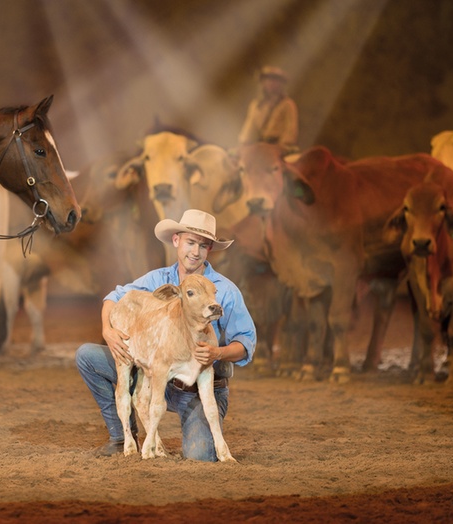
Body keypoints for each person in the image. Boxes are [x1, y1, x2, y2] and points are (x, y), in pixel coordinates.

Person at [75, 209, 257, 462]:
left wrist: (218, 353)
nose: (195, 252)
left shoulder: (224, 290)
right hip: (160, 374)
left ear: (210, 250)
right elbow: (115, 296)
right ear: (176, 241)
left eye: (202, 246)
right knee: (87, 356)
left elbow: (246, 342)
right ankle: (121, 437)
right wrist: (108, 330)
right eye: (190, 243)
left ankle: (196, 429)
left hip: (196, 389)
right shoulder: (160, 280)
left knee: (200, 456)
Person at [237, 65, 299, 152]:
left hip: (278, 147)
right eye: (268, 79)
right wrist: (245, 143)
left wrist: (280, 147)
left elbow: (290, 131)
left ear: (281, 84)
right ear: (262, 83)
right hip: (258, 146)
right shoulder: (255, 105)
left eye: (275, 80)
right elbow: (249, 128)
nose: (271, 83)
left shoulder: (287, 104)